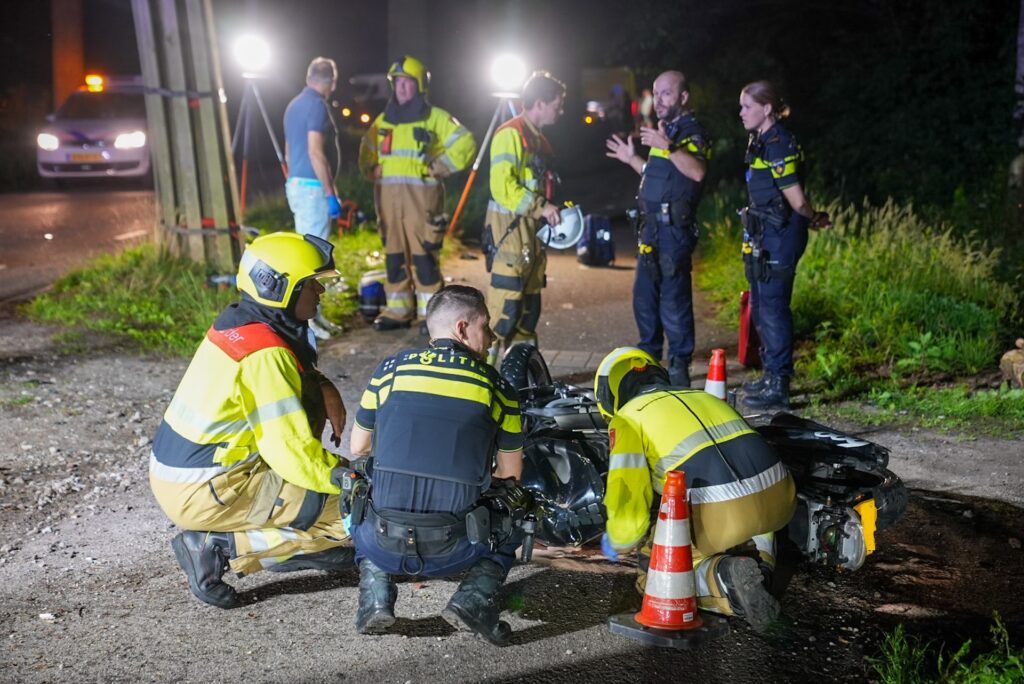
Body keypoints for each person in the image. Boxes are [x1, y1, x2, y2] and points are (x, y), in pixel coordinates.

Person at [150, 232, 354, 609]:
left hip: (189, 474)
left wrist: (322, 385)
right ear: (279, 288)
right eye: (311, 284)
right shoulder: (266, 354)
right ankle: (219, 546)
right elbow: (289, 451)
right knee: (353, 515)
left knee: (331, 490)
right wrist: (347, 477)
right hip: (210, 488)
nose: (319, 292)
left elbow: (292, 387)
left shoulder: (241, 324)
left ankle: (292, 539)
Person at [348, 285, 527, 646]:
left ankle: (375, 593)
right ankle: (472, 600)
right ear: (462, 328)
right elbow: (510, 475)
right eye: (485, 327)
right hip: (457, 547)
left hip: (380, 540)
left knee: (357, 489)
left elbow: (359, 446)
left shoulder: (390, 370)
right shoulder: (499, 388)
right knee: (517, 508)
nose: (491, 338)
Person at [595, 347, 797, 632]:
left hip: (720, 512)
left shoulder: (627, 418)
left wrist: (619, 541)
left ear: (608, 395)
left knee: (656, 576)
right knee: (752, 517)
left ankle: (726, 582)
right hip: (778, 496)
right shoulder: (703, 396)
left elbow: (630, 503)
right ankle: (761, 567)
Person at [606, 70, 711, 387]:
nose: (659, 99)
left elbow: (697, 172)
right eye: (656, 92)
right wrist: (632, 159)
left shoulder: (692, 132)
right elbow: (656, 173)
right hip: (650, 231)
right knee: (645, 301)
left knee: (674, 303)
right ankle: (648, 369)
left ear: (683, 97)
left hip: (673, 233)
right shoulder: (664, 131)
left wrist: (668, 145)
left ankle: (679, 371)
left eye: (666, 93)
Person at [358, 55, 477, 333]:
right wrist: (369, 168)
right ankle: (398, 311)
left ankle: (432, 317)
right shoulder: (383, 122)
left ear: (420, 85)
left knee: (424, 260)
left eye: (407, 82)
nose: (401, 88)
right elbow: (367, 149)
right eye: (397, 82)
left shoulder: (435, 118)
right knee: (394, 258)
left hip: (422, 202)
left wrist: (441, 166)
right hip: (388, 202)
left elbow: (466, 142)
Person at [738, 81, 830, 411]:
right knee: (762, 308)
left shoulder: (779, 144)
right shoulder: (760, 140)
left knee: (774, 310)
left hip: (781, 235)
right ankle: (770, 375)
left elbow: (797, 199)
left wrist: (814, 217)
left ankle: (780, 385)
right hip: (766, 234)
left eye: (747, 106)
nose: (741, 112)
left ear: (766, 109)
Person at [483, 71, 566, 365]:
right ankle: (483, 379)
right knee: (503, 314)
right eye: (558, 102)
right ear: (540, 102)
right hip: (509, 235)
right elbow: (503, 187)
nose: (561, 109)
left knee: (527, 315)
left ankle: (523, 381)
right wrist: (541, 207)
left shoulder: (539, 141)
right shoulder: (511, 134)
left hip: (531, 237)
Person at [283, 57, 342, 340]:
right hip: (311, 186)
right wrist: (330, 194)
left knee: (308, 251)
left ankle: (313, 317)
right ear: (332, 82)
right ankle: (309, 320)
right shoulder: (317, 106)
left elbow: (287, 152)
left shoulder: (293, 105)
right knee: (314, 258)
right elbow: (316, 151)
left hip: (296, 182)